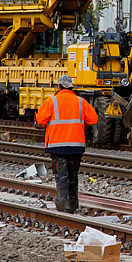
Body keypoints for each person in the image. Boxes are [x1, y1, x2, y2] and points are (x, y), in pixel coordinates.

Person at [35, 74, 98, 213]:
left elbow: (40, 121)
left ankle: (64, 207)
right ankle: (73, 206)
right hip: (76, 147)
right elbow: (93, 119)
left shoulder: (52, 101)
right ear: (71, 87)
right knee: (73, 177)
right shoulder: (81, 102)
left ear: (59, 86)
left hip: (57, 147)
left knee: (61, 177)